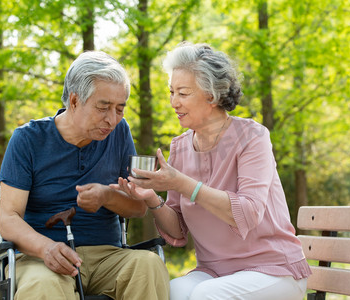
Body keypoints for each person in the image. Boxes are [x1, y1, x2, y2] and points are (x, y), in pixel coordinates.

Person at [112, 42, 311, 300]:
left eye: (183, 94)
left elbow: (248, 213)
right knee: (167, 292)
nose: (174, 102)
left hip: (274, 270)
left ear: (211, 95)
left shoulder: (252, 137)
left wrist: (182, 184)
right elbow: (178, 230)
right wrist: (150, 197)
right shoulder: (180, 147)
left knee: (207, 296)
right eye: (171, 92)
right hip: (214, 272)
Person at [0, 51, 169, 300]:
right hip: (41, 258)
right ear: (75, 101)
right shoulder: (28, 139)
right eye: (103, 107)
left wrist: (107, 196)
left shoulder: (120, 132)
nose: (112, 119)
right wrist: (46, 248)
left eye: (120, 109)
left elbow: (138, 208)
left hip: (107, 256)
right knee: (43, 286)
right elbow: (9, 219)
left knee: (148, 266)